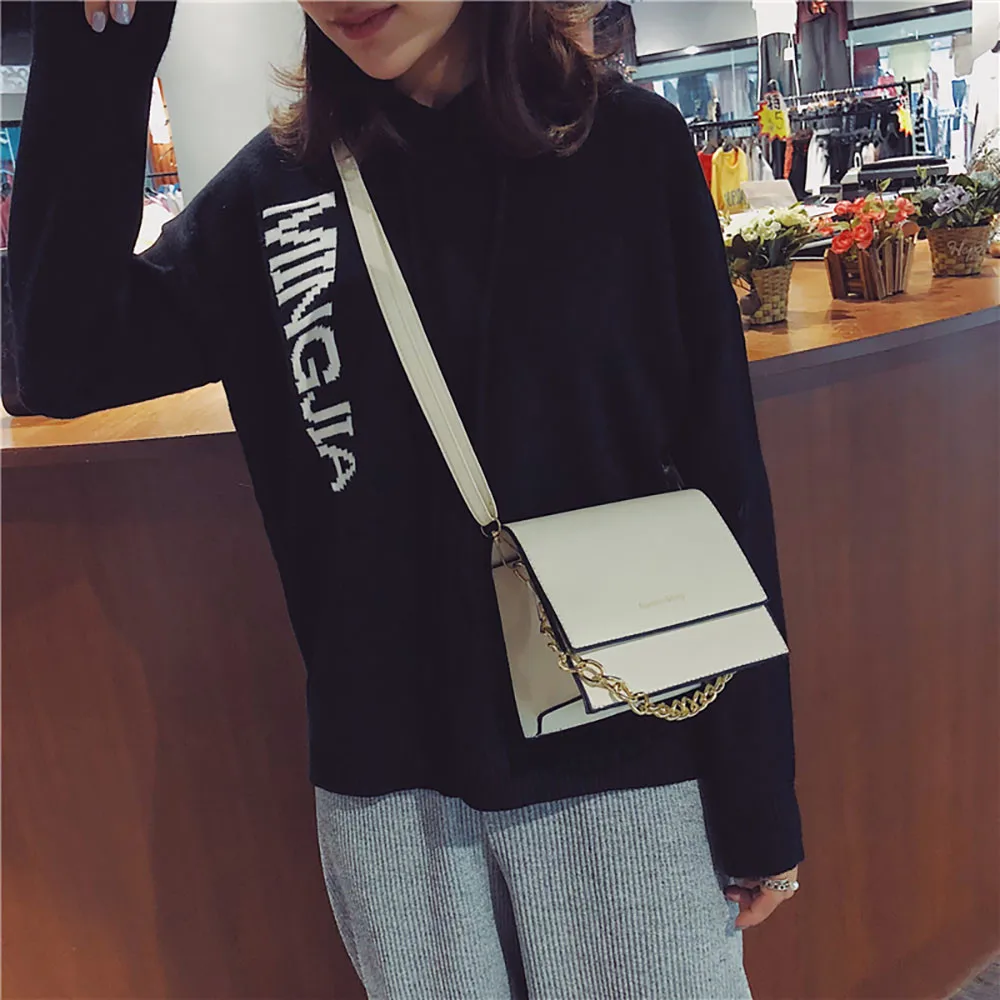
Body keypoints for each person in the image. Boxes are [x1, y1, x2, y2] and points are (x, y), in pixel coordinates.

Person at [9, 2, 804, 997]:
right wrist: (103, 41)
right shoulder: (277, 195)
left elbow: (724, 474)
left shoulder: (625, 147)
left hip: (623, 758)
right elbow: (58, 357)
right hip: (393, 797)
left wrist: (758, 799)